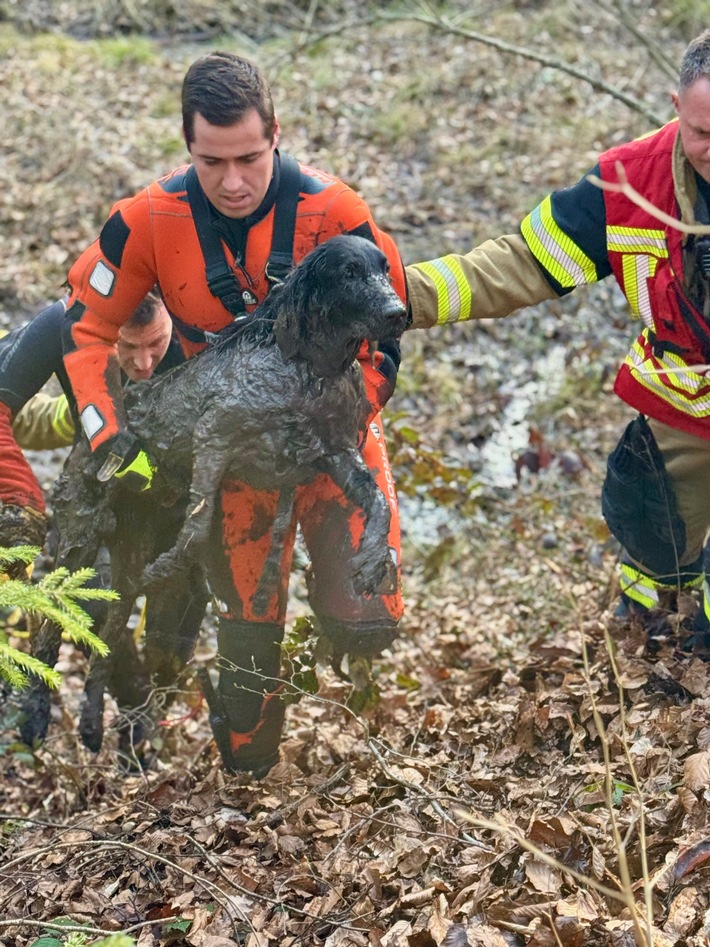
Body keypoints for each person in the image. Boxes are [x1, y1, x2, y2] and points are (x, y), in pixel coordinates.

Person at [59, 51, 407, 777]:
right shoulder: (148, 220)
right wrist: (110, 436)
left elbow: (386, 345)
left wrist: (335, 424)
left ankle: (357, 708)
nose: (235, 181)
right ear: (187, 146)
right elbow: (83, 332)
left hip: (332, 435)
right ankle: (246, 767)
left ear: (275, 132)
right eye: (211, 162)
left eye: (249, 156)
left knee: (368, 615)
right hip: (236, 448)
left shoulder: (335, 213)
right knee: (249, 647)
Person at [404, 29, 710, 650]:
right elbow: (518, 264)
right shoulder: (627, 186)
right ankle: (655, 633)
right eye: (705, 134)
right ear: (675, 108)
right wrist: (397, 298)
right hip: (687, 399)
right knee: (644, 517)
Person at [0, 291, 178, 553]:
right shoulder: (68, 322)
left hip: (181, 496)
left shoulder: (195, 313)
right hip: (96, 501)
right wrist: (19, 499)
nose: (143, 363)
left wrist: (85, 414)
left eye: (156, 343)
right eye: (127, 346)